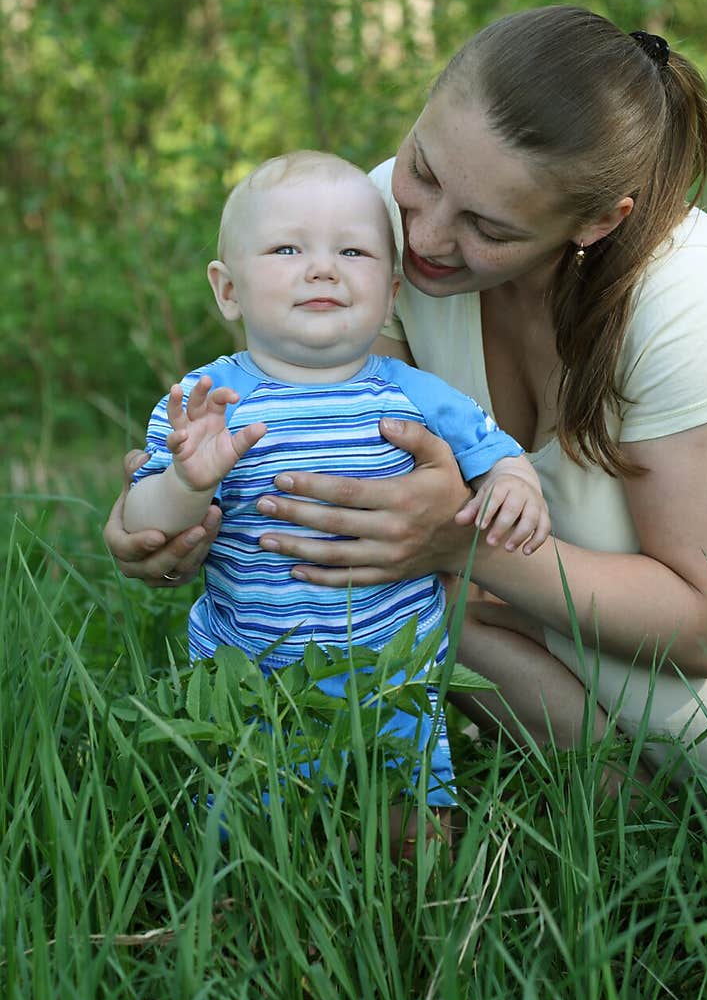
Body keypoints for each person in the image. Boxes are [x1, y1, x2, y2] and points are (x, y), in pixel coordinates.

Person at [105, 5, 707, 793]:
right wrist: (174, 505)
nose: (428, 237)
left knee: (414, 584)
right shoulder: (378, 223)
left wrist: (457, 547)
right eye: (425, 169)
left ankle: (664, 821)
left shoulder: (690, 295)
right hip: (573, 617)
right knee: (385, 573)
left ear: (595, 223)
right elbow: (338, 449)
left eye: (488, 227)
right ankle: (621, 811)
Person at [121, 149, 550, 847]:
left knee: (413, 824)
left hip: (393, 676)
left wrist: (512, 483)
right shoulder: (206, 405)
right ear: (228, 290)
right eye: (287, 248)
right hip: (252, 680)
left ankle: (423, 926)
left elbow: (493, 449)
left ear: (390, 293)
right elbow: (145, 529)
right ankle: (246, 919)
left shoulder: (410, 391)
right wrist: (185, 481)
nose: (322, 267)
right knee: (250, 836)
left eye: (353, 251)